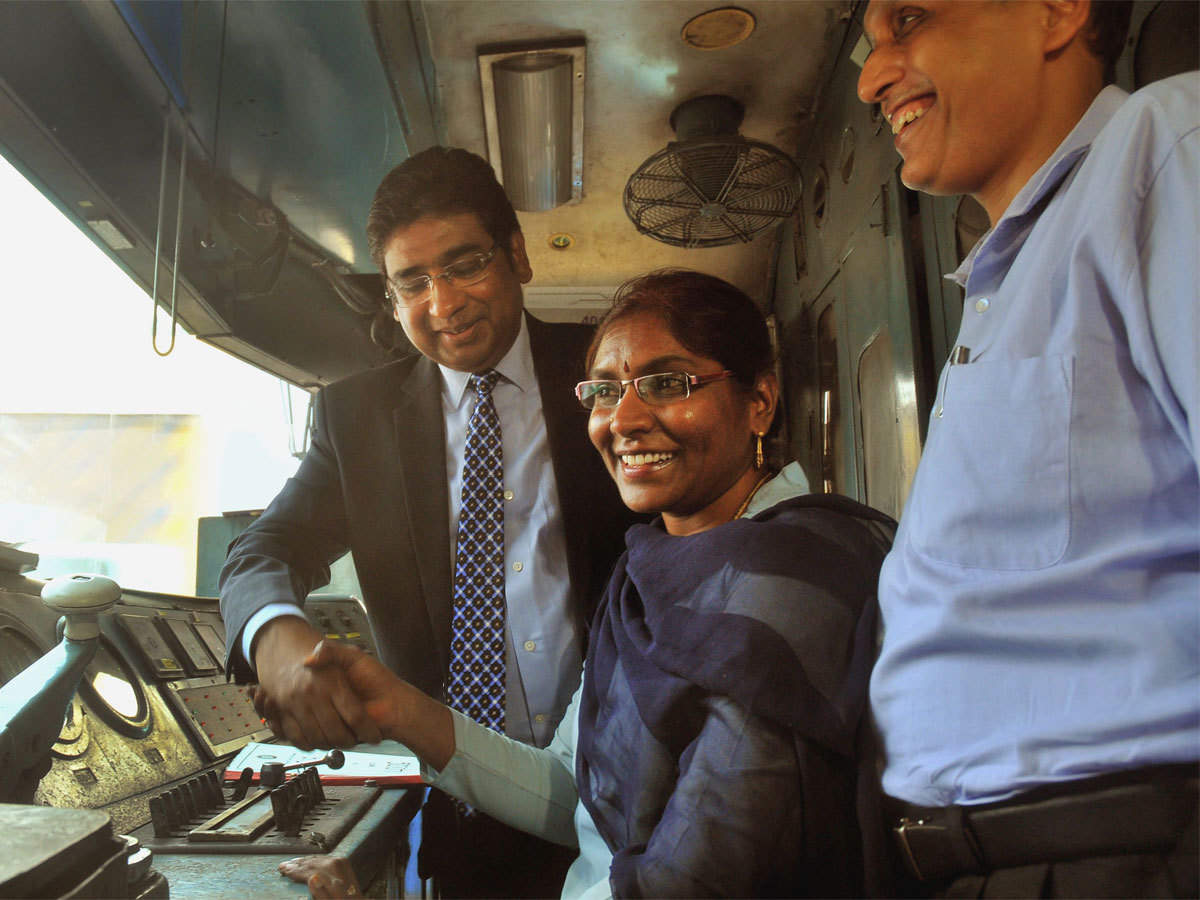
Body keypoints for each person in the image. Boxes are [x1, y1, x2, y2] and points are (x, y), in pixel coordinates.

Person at [276, 269, 897, 898]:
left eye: (665, 383)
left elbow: (703, 872)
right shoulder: (644, 569)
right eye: (604, 391)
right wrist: (396, 709)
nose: (621, 419)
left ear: (759, 401)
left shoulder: (796, 577)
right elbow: (572, 785)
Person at [218, 146, 638, 897]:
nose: (443, 304)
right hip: (459, 808)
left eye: (464, 265)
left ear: (516, 256)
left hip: (616, 796)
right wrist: (276, 635)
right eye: (412, 281)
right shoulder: (355, 419)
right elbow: (263, 549)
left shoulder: (606, 375)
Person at [857, 1, 1198, 895]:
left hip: (1117, 849)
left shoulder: (1164, 151)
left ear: (1054, 12)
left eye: (910, 20)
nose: (871, 76)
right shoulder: (1003, 277)